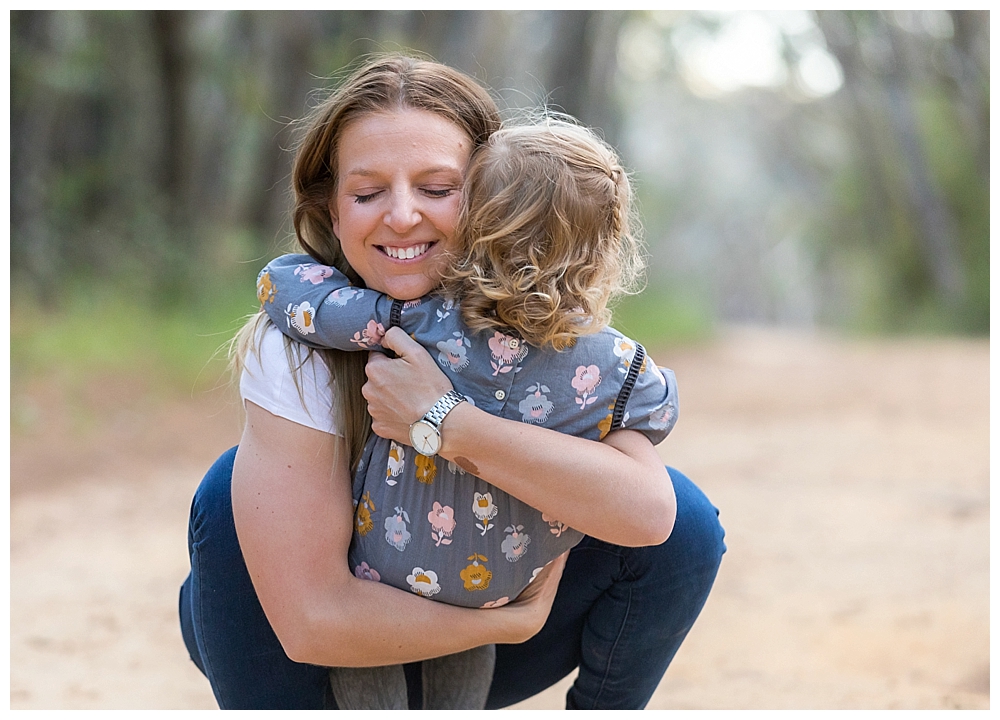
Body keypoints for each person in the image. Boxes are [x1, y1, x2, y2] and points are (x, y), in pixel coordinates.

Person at [179, 53, 726, 710]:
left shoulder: (543, 332)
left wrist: (446, 420)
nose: (403, 216)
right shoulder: (302, 341)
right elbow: (309, 623)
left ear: (502, 195)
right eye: (367, 192)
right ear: (330, 208)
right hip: (325, 652)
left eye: (439, 189)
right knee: (225, 493)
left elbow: (648, 513)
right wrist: (504, 622)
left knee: (686, 519)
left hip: (496, 629)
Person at [257, 117, 680, 708]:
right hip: (499, 585)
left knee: (362, 675)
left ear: (480, 225)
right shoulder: (616, 365)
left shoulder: (425, 321)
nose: (406, 215)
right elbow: (659, 411)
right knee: (466, 678)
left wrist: (278, 276)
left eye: (438, 191)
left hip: (383, 572)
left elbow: (304, 301)